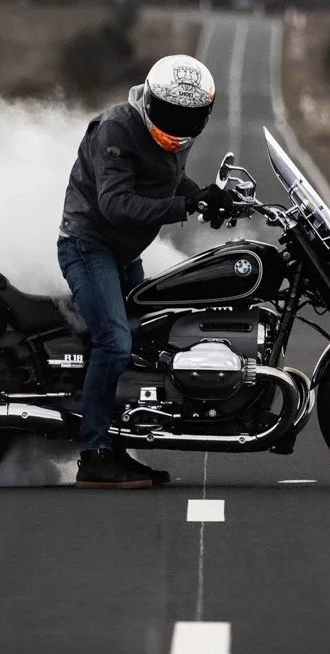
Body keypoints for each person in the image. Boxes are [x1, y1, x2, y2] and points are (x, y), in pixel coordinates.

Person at [57, 53, 235, 488]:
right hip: (89, 245)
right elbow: (115, 204)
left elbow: (169, 182)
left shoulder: (179, 135)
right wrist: (185, 205)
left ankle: (118, 445)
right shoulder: (116, 128)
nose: (178, 122)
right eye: (170, 112)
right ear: (151, 100)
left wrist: (207, 199)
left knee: (148, 340)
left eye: (188, 116)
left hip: (124, 253)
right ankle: (94, 455)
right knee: (115, 342)